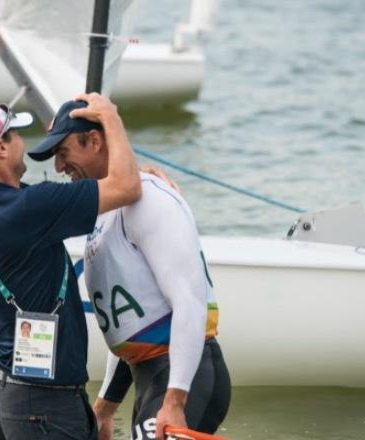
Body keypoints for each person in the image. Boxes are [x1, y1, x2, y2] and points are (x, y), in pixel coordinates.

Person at [0, 93, 141, 440]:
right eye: (15, 134)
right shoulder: (29, 208)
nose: (23, 141)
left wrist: (131, 172)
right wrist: (111, 117)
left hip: (10, 395)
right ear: (1, 148)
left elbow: (110, 186)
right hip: (43, 405)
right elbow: (126, 187)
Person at [29, 100, 231, 440]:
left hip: (186, 379)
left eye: (63, 152)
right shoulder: (105, 212)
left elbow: (190, 301)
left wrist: (176, 398)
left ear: (94, 141)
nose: (59, 166)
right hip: (150, 379)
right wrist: (106, 407)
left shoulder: (150, 200)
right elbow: (133, 326)